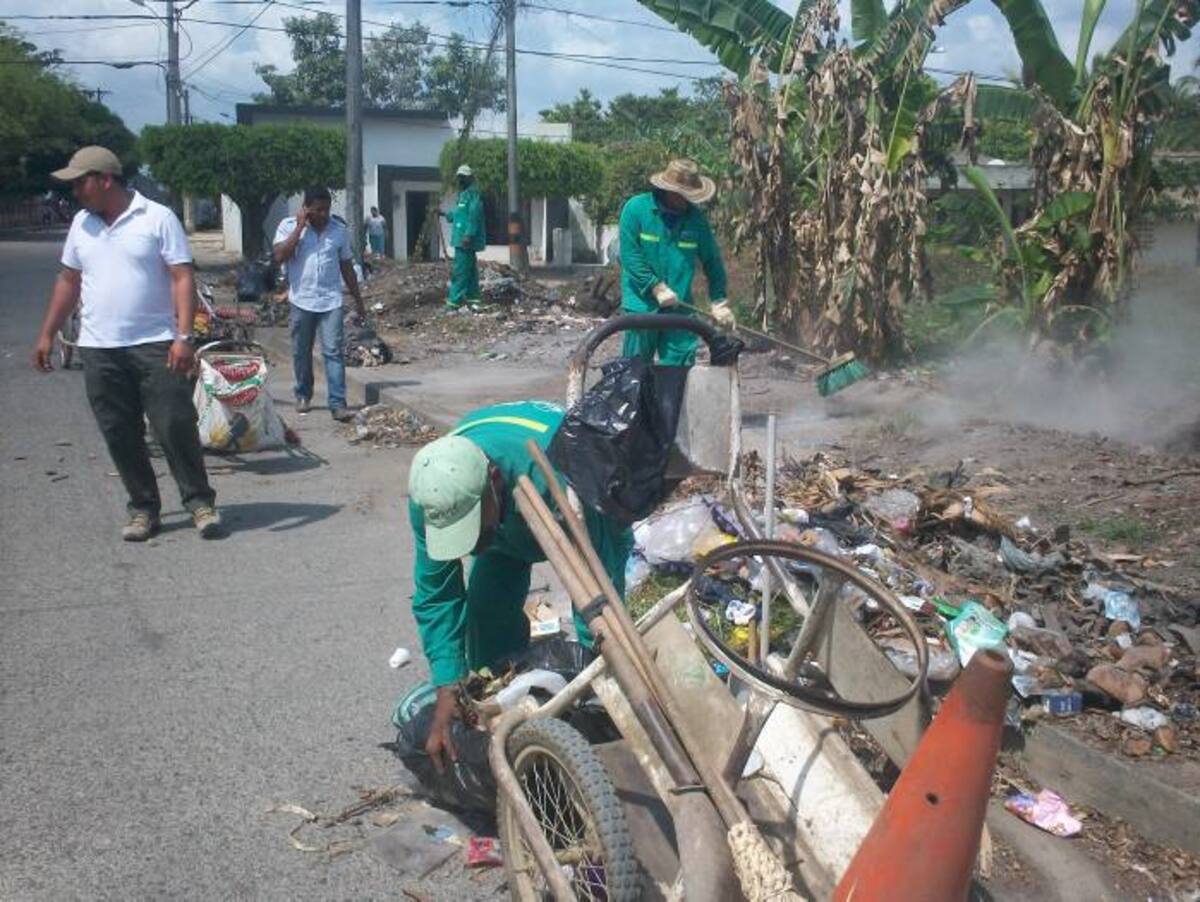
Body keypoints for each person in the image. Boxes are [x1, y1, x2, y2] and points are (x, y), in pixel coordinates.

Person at [407, 401, 633, 770]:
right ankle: (503, 714)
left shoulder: (562, 475)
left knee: (601, 627)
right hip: (502, 520)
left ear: (493, 480)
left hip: (580, 481)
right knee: (486, 614)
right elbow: (437, 595)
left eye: (470, 528)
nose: (468, 548)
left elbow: (596, 586)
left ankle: (598, 720)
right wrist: (448, 687)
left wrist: (599, 669)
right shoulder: (433, 497)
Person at [31, 145, 221, 541]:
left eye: (80, 182)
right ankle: (143, 508)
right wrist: (48, 333)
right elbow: (68, 280)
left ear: (104, 179)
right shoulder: (82, 224)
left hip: (154, 344)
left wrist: (184, 336)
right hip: (99, 349)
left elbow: (181, 276)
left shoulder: (156, 218)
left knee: (173, 424)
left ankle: (199, 501)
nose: (74, 191)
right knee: (120, 431)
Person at [618, 158, 732, 366]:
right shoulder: (636, 210)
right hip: (642, 306)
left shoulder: (696, 220)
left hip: (679, 307)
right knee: (634, 369)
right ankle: (638, 398)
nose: (687, 200)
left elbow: (712, 262)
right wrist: (655, 287)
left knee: (679, 364)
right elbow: (630, 256)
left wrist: (719, 301)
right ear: (669, 190)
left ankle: (671, 398)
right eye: (683, 195)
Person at [273, 186, 367, 421]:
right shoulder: (287, 227)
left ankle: (338, 402)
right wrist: (299, 227)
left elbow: (346, 267)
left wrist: (358, 300)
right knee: (301, 351)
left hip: (330, 300)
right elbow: (280, 256)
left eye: (326, 209)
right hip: (301, 300)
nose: (323, 214)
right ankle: (303, 394)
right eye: (318, 210)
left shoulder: (338, 231)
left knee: (333, 351)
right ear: (305, 209)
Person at [443, 164, 486, 310]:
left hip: (465, 241)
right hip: (460, 240)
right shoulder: (463, 196)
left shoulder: (473, 195)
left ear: (470, 178)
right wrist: (443, 214)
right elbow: (457, 215)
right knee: (471, 272)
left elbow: (474, 216)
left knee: (459, 272)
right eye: (459, 177)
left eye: (463, 177)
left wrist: (468, 235)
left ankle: (452, 303)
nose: (460, 180)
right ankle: (474, 299)